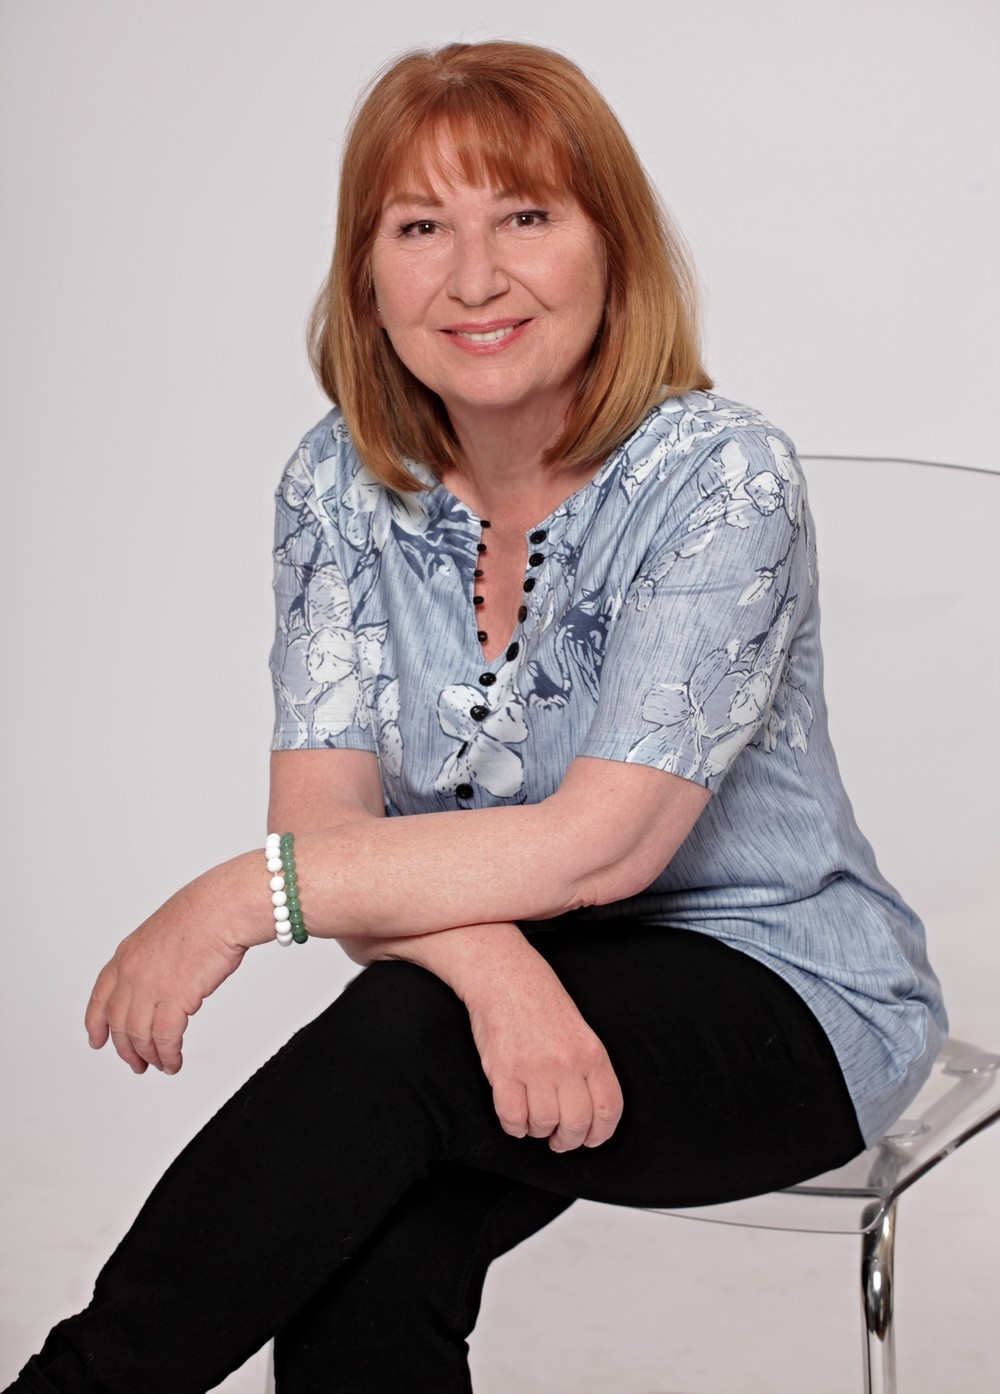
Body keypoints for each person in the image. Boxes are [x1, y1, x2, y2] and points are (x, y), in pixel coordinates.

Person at [8, 39, 946, 1394]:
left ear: (611, 247)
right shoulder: (339, 482)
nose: (474, 277)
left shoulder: (721, 476)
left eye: (526, 216)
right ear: (365, 272)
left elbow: (601, 845)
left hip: (785, 993)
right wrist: (505, 979)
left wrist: (236, 897)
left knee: (396, 1046)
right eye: (419, 227)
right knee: (368, 1253)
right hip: (501, 985)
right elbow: (328, 831)